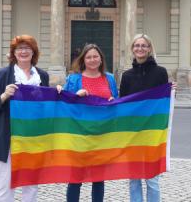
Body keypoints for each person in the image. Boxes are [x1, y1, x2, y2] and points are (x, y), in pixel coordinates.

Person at [0, 35, 49, 202]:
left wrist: (57, 94)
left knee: (31, 186)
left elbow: (46, 107)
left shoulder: (42, 76)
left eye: (27, 48)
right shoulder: (3, 75)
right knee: (5, 186)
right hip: (8, 138)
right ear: (13, 52)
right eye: (19, 48)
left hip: (33, 138)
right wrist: (5, 95)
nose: (23, 51)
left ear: (33, 52)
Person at [57, 44, 118, 202]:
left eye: (95, 56)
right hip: (79, 135)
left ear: (101, 59)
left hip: (101, 135)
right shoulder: (74, 78)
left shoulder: (109, 78)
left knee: (98, 178)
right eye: (89, 57)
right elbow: (64, 102)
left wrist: (113, 101)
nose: (92, 60)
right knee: (75, 177)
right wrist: (76, 95)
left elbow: (116, 104)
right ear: (83, 59)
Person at [120, 34, 169, 202]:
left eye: (144, 45)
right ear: (132, 49)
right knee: (133, 179)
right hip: (132, 133)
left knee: (152, 179)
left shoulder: (161, 72)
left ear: (149, 49)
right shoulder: (126, 76)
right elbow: (123, 104)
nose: (140, 49)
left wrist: (171, 91)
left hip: (152, 133)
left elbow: (163, 102)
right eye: (137, 45)